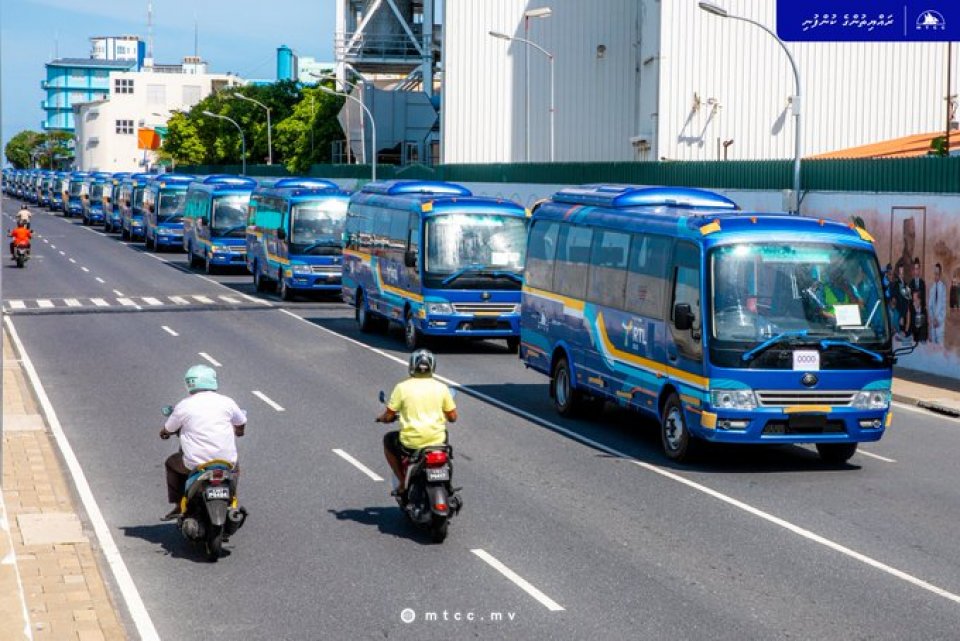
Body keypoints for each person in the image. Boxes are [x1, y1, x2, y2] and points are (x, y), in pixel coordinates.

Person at [159, 365, 247, 521]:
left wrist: (164, 433)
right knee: (235, 468)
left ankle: (179, 504)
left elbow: (169, 428)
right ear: (212, 381)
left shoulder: (183, 405)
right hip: (226, 462)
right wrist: (239, 432)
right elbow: (241, 422)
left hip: (195, 464)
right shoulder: (227, 402)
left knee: (171, 463)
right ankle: (232, 500)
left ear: (189, 384)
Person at [376, 349, 457, 497]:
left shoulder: (402, 387)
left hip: (411, 444)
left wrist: (382, 418)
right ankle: (447, 484)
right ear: (432, 367)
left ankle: (402, 482)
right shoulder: (442, 388)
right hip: (436, 441)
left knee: (388, 440)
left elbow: (389, 415)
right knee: (444, 435)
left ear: (412, 366)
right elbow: (453, 417)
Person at [928, 262, 947, 344]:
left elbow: (944, 307)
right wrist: (933, 319)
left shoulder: (943, 288)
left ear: (940, 274)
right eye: (934, 273)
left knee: (939, 352)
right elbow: (930, 306)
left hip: (940, 326)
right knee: (933, 352)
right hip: (933, 325)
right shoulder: (932, 288)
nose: (936, 276)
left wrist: (938, 320)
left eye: (937, 274)